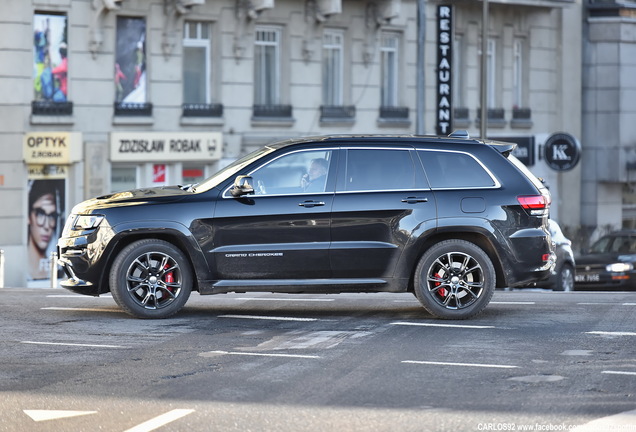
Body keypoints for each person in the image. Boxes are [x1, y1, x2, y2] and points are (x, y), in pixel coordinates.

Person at [27, 180, 60, 280]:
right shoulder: (25, 270)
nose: (46, 226)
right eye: (41, 213)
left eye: (52, 216)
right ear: (28, 217)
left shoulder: (59, 270)